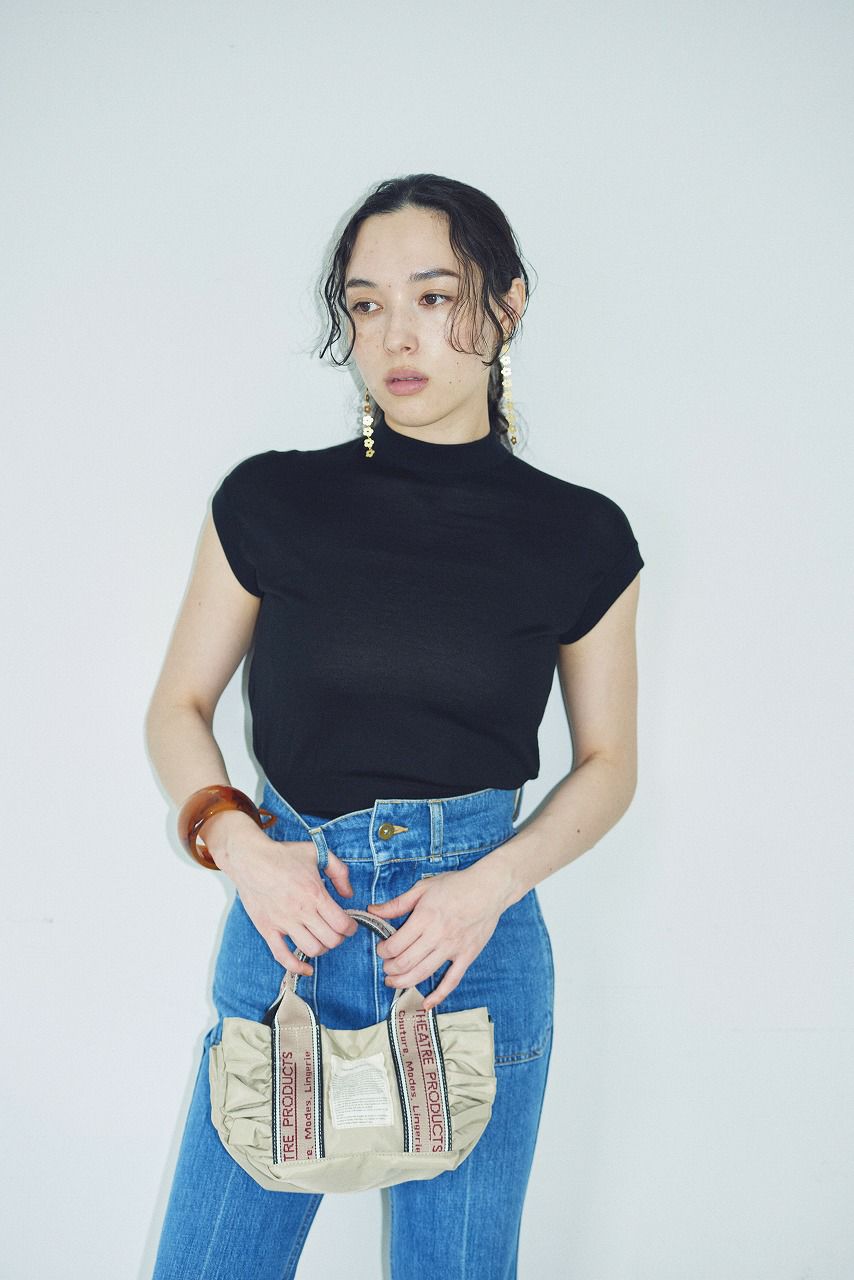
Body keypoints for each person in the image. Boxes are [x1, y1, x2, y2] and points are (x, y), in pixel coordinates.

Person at [145, 172, 644, 1279]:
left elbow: (609, 764)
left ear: (507, 305)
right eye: (366, 305)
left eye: (433, 296)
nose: (395, 336)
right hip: (289, 925)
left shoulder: (580, 535)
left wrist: (488, 885)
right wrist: (241, 846)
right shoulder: (268, 501)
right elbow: (178, 707)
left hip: (471, 944)